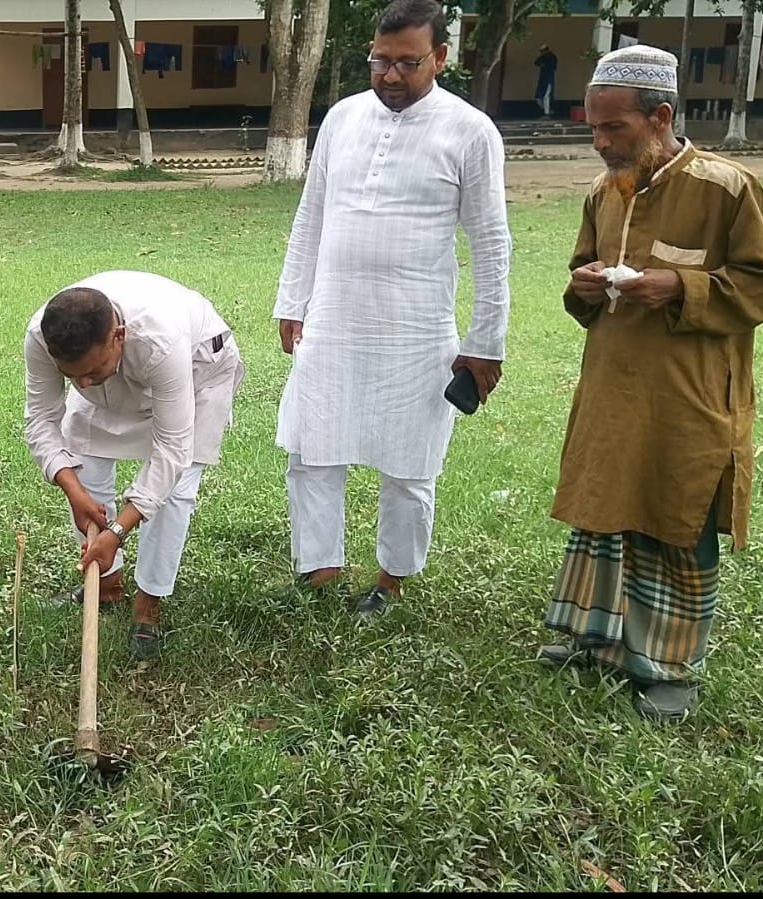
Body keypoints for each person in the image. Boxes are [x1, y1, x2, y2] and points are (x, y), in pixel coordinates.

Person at [537, 44, 763, 723]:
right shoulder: (603, 191)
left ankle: (670, 666)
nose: (599, 142)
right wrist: (584, 283)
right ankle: (597, 638)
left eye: (612, 127)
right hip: (610, 384)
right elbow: (582, 271)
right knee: (604, 505)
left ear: (661, 117)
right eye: (593, 127)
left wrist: (678, 285)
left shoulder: (727, 188)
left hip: (688, 393)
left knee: (676, 515)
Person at [271, 0, 511, 621]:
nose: (391, 75)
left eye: (408, 63)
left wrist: (486, 342)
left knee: (409, 460)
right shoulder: (343, 117)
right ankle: (320, 566)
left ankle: (391, 578)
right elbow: (311, 213)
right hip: (333, 316)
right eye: (380, 61)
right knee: (312, 444)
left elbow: (491, 243)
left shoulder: (470, 131)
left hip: (416, 327)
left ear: (440, 58)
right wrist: (293, 299)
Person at [23, 271, 245, 662]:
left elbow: (172, 448)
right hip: (123, 369)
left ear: (118, 336)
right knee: (83, 464)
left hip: (197, 370)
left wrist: (117, 530)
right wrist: (73, 491)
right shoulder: (44, 337)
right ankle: (105, 586)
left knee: (174, 490)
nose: (83, 385)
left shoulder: (161, 340)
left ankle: (148, 607)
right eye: (73, 377)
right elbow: (41, 419)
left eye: (92, 372)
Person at [535, 44, 559, 118]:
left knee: (546, 96)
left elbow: (554, 67)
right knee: (538, 97)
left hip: (548, 79)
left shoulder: (552, 57)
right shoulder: (543, 57)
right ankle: (547, 110)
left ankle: (547, 112)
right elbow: (536, 62)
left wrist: (544, 65)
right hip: (543, 79)